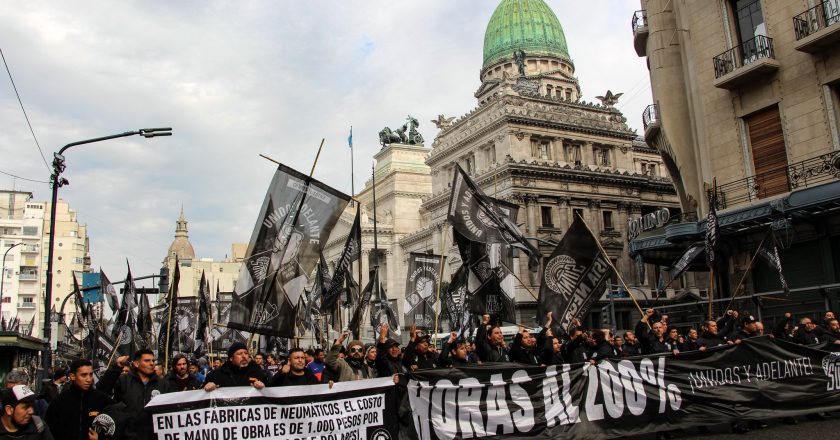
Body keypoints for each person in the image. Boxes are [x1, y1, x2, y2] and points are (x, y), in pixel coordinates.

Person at [97, 349, 170, 440]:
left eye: (153, 361)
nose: (152, 363)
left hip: (154, 436)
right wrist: (116, 367)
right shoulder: (123, 380)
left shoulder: (163, 384)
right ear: (136, 364)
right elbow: (102, 390)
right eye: (147, 361)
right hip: (127, 436)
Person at [45, 359, 114, 440]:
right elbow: (49, 432)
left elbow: (115, 429)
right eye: (84, 375)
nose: (89, 379)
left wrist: (100, 438)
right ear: (72, 376)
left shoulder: (103, 400)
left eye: (91, 374)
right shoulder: (59, 402)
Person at [203, 342, 267, 391]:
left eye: (246, 353)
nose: (244, 356)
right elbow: (200, 395)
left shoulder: (258, 373)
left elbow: (270, 393)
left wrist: (264, 386)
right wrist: (207, 387)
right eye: (239, 354)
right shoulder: (215, 375)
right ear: (231, 358)